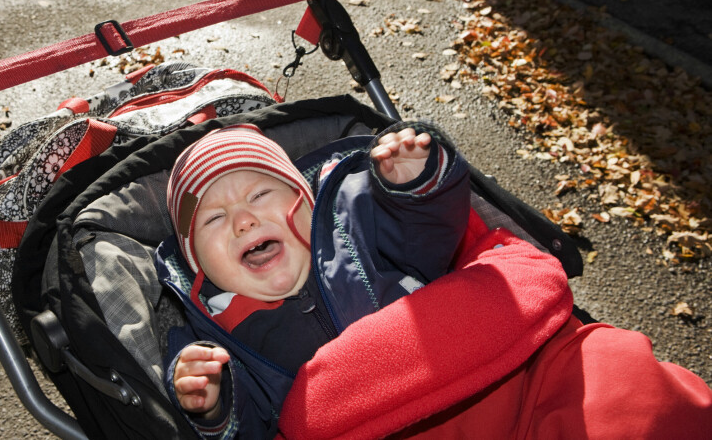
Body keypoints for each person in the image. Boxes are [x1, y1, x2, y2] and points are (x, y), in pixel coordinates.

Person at [155, 123, 712, 439]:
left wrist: (414, 184)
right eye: (213, 220)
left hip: (492, 376)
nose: (244, 220)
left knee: (626, 390)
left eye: (259, 195)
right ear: (196, 263)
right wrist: (213, 406)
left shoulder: (357, 225)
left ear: (305, 207)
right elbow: (252, 428)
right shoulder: (215, 338)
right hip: (366, 424)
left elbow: (429, 237)